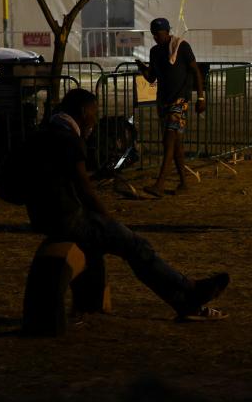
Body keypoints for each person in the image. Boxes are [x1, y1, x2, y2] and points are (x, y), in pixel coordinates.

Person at [23, 88, 229, 319]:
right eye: (94, 112)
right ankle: (189, 288)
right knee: (136, 245)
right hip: (69, 218)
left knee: (100, 250)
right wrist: (108, 219)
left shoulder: (40, 135)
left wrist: (37, 195)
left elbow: (9, 187)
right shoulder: (70, 140)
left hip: (43, 217)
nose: (94, 119)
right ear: (82, 112)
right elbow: (85, 190)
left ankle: (184, 303)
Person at [135, 17, 205, 197]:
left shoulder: (181, 46)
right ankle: (183, 183)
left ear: (167, 32)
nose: (156, 37)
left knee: (168, 141)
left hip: (179, 101)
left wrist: (201, 97)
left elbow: (195, 70)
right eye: (154, 35)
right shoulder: (155, 51)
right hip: (164, 101)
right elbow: (152, 78)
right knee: (176, 144)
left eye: (158, 34)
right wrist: (142, 68)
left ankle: (160, 184)